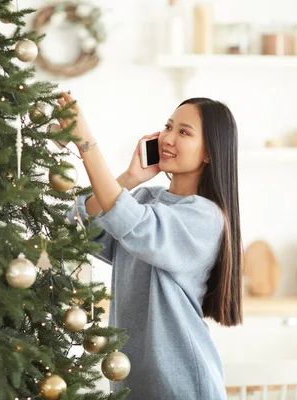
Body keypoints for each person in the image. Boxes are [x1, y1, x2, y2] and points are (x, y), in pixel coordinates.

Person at [61, 92, 242, 400]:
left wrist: (87, 144)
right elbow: (77, 227)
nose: (168, 138)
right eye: (168, 127)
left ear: (209, 152)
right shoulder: (146, 200)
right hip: (132, 384)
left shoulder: (206, 217)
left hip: (182, 387)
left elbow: (132, 222)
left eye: (183, 132)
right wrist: (130, 178)